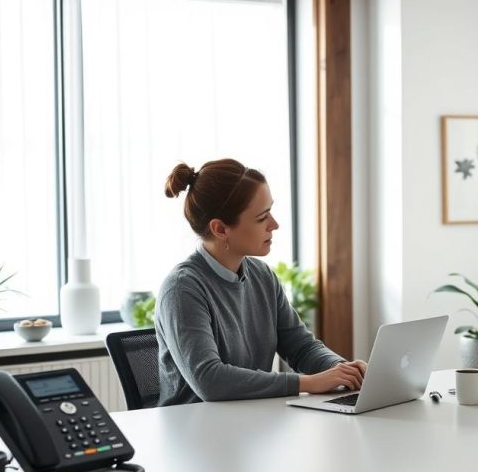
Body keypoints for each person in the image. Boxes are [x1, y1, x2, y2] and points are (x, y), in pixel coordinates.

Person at [156, 158, 366, 406]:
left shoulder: (262, 276)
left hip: (252, 424)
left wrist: (342, 370)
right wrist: (307, 383)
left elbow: (301, 347)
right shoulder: (182, 289)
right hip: (196, 432)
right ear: (220, 229)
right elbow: (209, 380)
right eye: (262, 217)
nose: (274, 225)